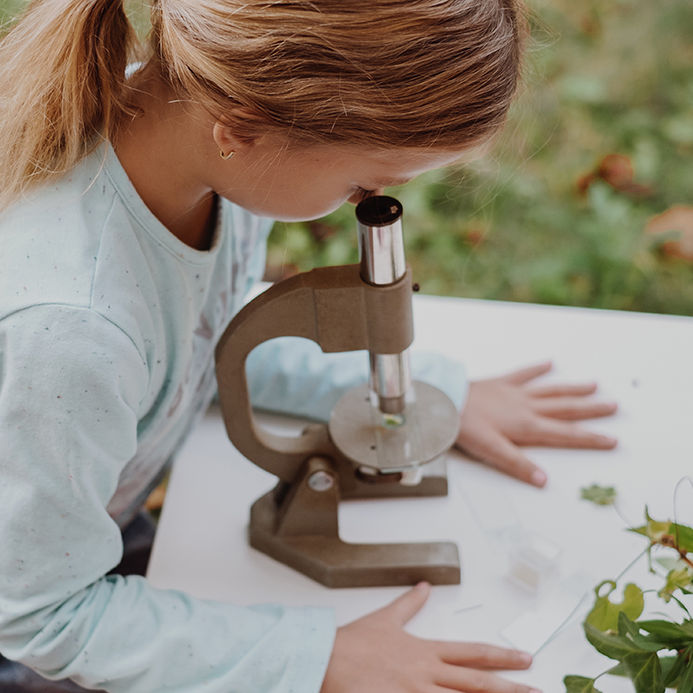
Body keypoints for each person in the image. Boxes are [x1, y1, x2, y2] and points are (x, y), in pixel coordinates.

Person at [0, 1, 618, 691]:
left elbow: (208, 324)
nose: (374, 204)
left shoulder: (188, 137)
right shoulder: (71, 327)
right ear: (242, 128)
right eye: (361, 185)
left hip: (68, 521)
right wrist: (314, 659)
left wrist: (427, 391)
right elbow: (42, 614)